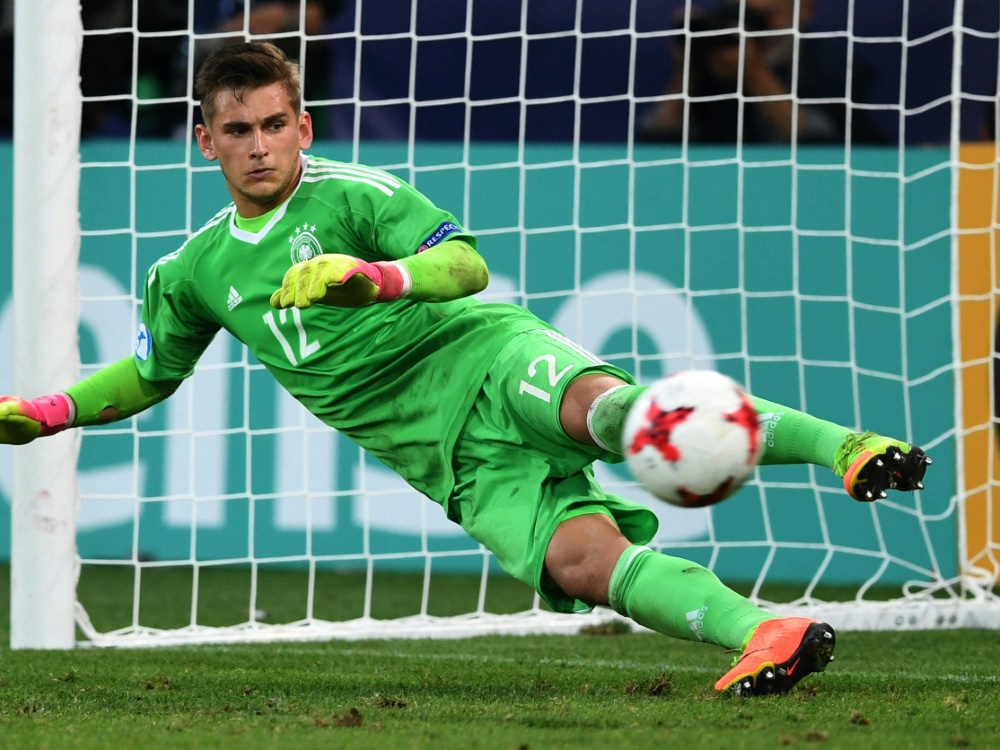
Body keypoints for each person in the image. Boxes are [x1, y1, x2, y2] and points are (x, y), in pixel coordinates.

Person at [0, 41, 930, 696]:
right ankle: (761, 633)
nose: (258, 147)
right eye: (238, 131)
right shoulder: (193, 271)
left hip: (482, 355)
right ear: (206, 141)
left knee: (607, 413)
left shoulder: (357, 197)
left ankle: (848, 447)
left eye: (274, 126)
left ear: (303, 126)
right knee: (579, 562)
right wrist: (47, 411)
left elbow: (466, 264)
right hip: (448, 458)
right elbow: (149, 374)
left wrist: (376, 278)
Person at [639, 0, 886, 145]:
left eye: (767, 16)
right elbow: (653, 139)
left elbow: (824, 141)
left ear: (806, 10)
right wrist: (689, 69)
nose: (757, 30)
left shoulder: (834, 63)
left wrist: (753, 72)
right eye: (746, 16)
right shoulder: (715, 61)